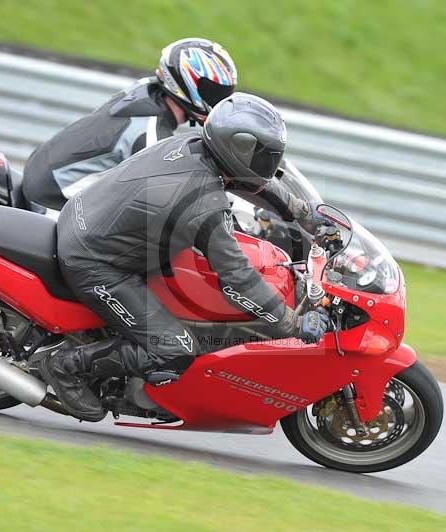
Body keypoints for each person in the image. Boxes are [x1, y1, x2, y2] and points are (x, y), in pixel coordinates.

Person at [41, 93, 330, 421]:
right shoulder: (204, 203)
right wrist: (292, 323)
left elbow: (251, 182)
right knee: (174, 349)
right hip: (95, 261)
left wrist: (303, 212)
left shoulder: (196, 144)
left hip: (87, 220)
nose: (270, 163)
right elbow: (237, 277)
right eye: (264, 155)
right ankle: (66, 367)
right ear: (238, 149)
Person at [22, 38, 238, 212]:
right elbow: (176, 191)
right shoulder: (150, 131)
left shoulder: (143, 91)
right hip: (52, 201)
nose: (218, 100)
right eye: (214, 91)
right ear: (187, 82)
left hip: (39, 174)